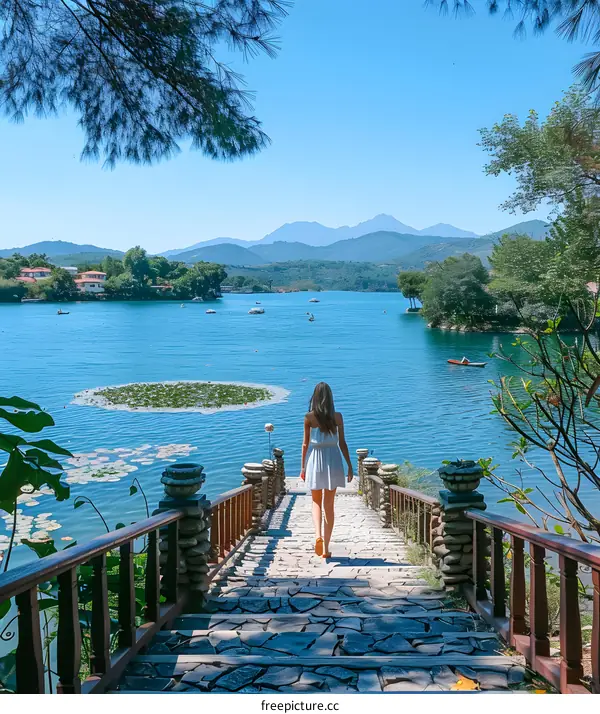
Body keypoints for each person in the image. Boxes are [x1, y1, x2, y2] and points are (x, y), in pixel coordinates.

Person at [300, 382, 353, 558]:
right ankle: (326, 548)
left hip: (315, 459)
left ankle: (318, 536)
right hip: (333, 460)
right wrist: (350, 466)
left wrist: (302, 467)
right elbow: (342, 443)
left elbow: (305, 444)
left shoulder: (309, 417)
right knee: (329, 505)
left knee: (316, 501)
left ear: (314, 398)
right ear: (330, 398)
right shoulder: (337, 417)